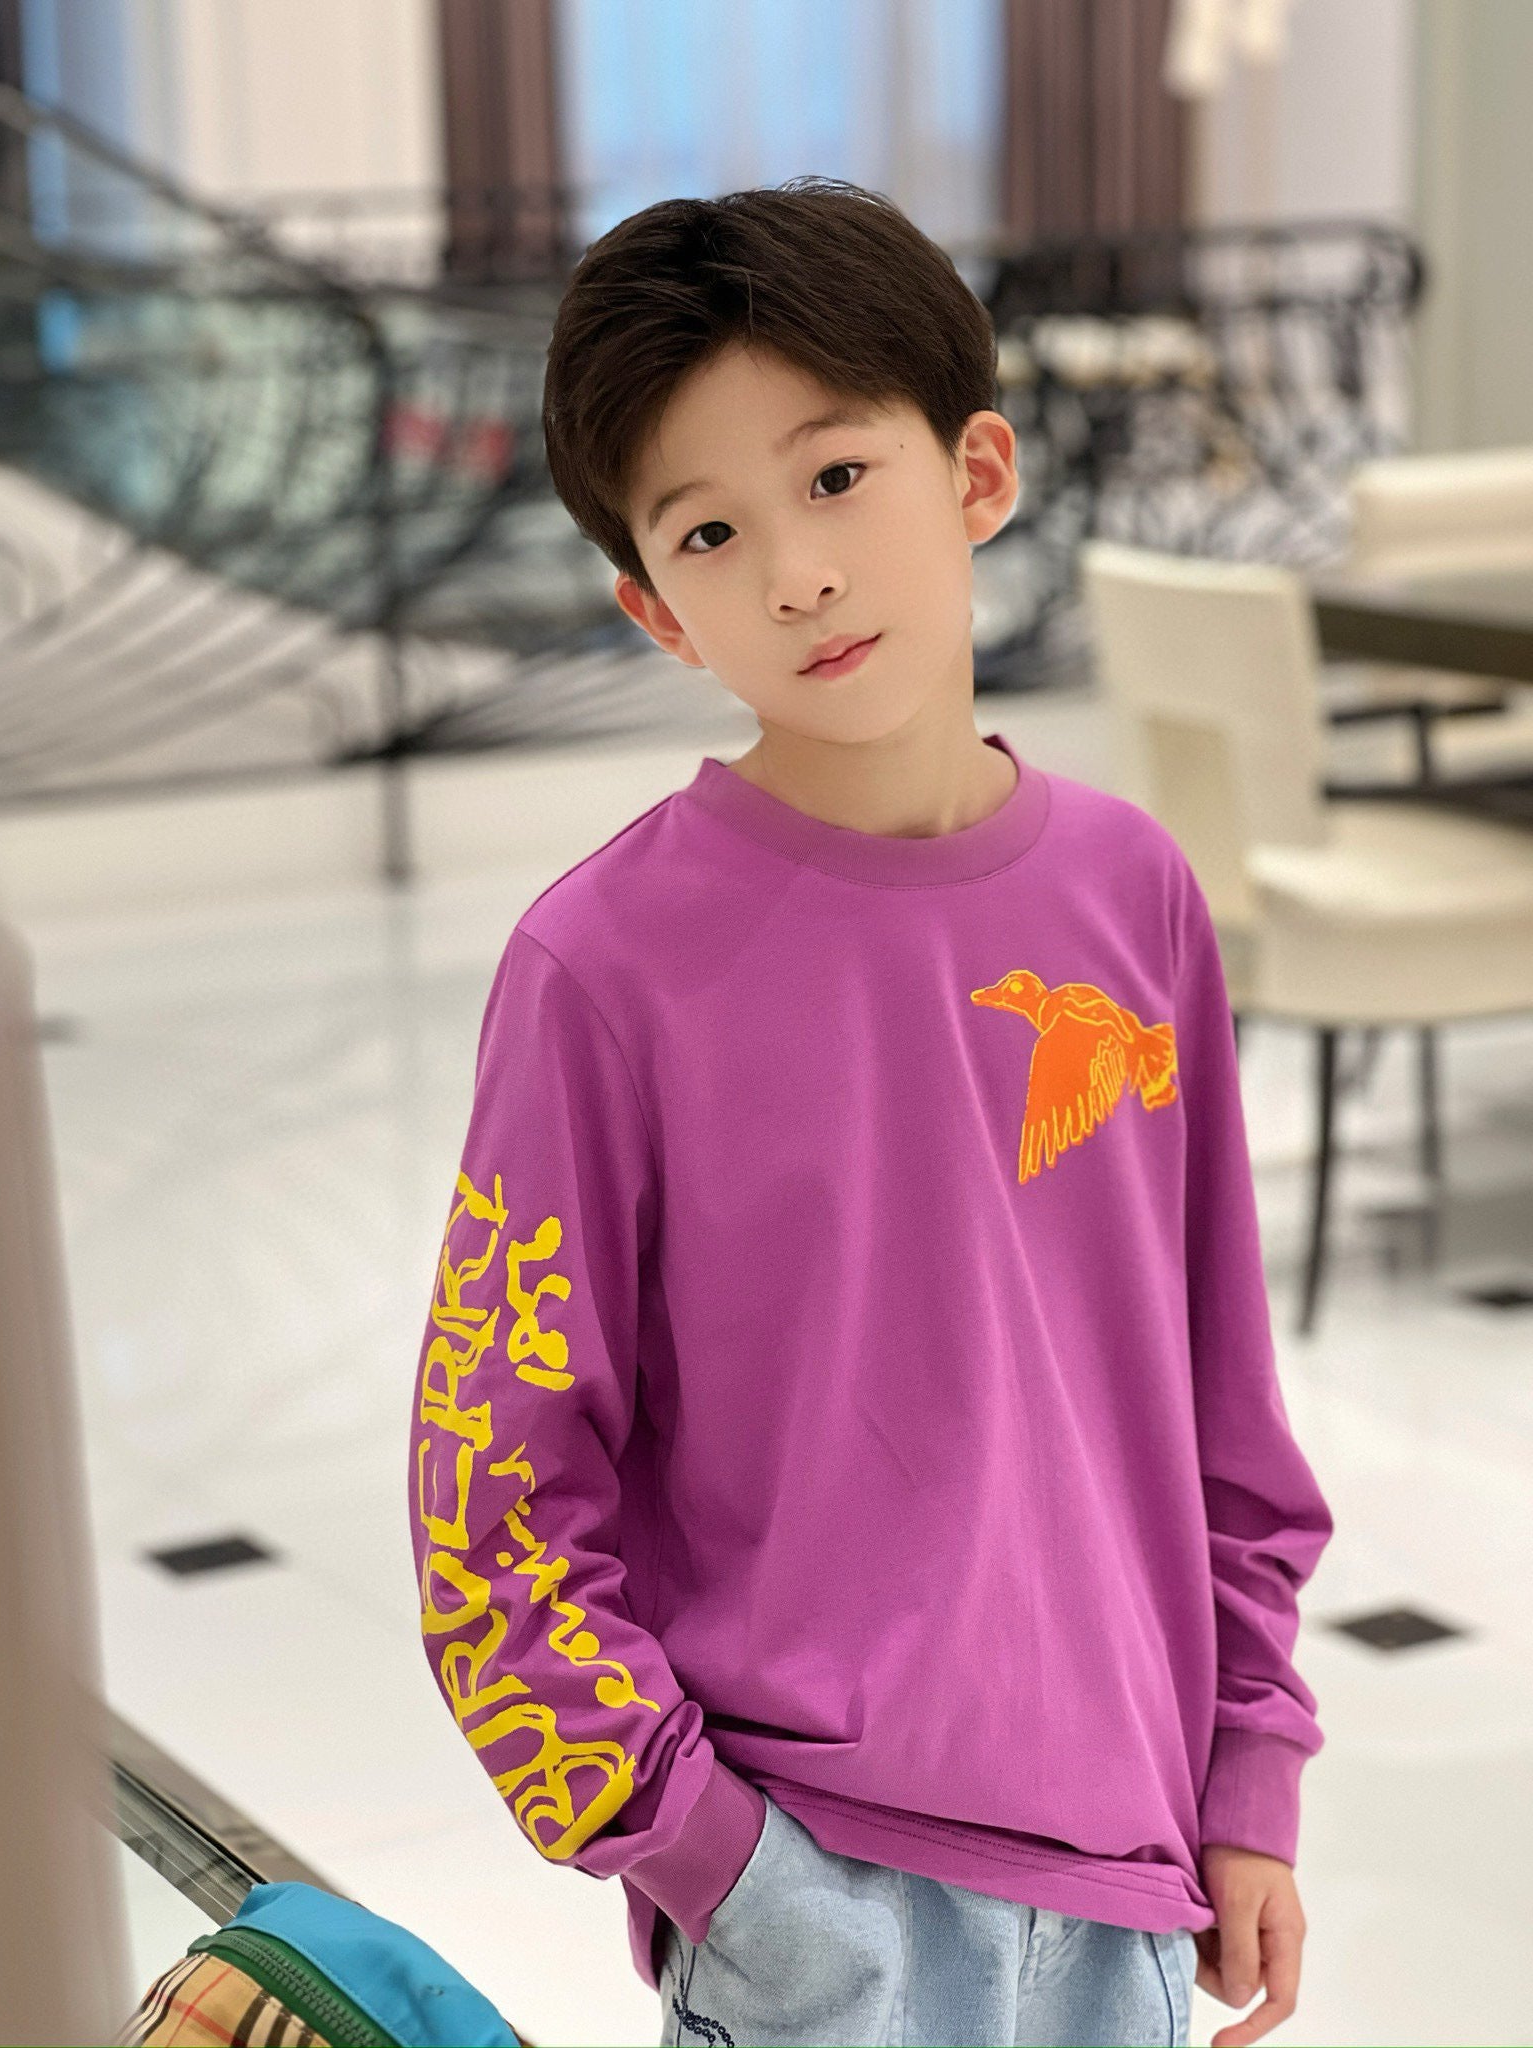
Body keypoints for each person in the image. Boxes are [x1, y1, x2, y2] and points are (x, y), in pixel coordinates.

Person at [406, 176, 1333, 2048]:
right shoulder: (605, 967)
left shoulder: (1134, 895)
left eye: (837, 478)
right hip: (816, 1901)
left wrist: (1251, 1770)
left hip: (1134, 1879)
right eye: (711, 531)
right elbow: (491, 1501)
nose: (798, 574)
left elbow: (1216, 1392)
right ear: (654, 609)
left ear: (977, 472)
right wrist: (711, 1860)